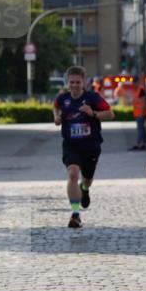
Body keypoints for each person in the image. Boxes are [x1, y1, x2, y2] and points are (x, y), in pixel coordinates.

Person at [53, 65, 113, 228]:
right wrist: (57, 117)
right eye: (71, 82)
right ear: (67, 82)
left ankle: (84, 189)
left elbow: (110, 113)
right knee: (72, 174)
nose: (74, 85)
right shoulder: (62, 98)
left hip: (91, 145)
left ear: (83, 82)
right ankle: (75, 213)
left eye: (77, 82)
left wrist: (92, 113)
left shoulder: (93, 98)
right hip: (71, 144)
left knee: (87, 179)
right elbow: (56, 106)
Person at [130, 81, 146, 151]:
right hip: (138, 113)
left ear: (137, 83)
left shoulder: (141, 90)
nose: (133, 84)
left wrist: (141, 113)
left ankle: (139, 143)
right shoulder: (136, 90)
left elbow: (144, 101)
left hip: (141, 113)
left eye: (134, 83)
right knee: (142, 128)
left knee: (140, 129)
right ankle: (143, 144)